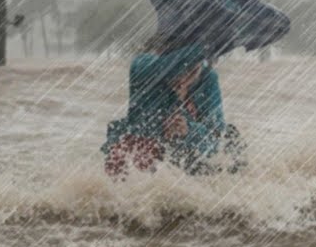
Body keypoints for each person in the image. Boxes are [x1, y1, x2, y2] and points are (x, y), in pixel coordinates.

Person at [102, 44, 245, 178]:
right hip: (147, 145)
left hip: (187, 153)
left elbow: (215, 137)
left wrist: (189, 130)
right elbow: (145, 128)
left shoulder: (207, 78)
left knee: (228, 142)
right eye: (178, 70)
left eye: (192, 71)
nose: (183, 79)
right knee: (128, 153)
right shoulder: (145, 68)